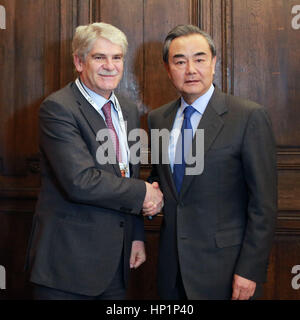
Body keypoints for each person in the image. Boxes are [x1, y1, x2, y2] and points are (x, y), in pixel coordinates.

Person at [25, 22, 163, 300]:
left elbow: (127, 175)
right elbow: (80, 181)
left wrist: (136, 235)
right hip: (67, 267)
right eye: (99, 57)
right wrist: (145, 193)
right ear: (79, 61)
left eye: (117, 57)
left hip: (115, 264)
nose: (110, 66)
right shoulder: (58, 108)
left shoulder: (127, 108)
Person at [146, 24, 277, 300]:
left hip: (227, 271)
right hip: (172, 269)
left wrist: (250, 269)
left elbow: (263, 205)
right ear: (168, 69)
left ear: (214, 63)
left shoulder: (248, 116)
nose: (190, 69)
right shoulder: (158, 119)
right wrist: (145, 197)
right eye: (179, 61)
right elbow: (161, 181)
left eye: (200, 59)